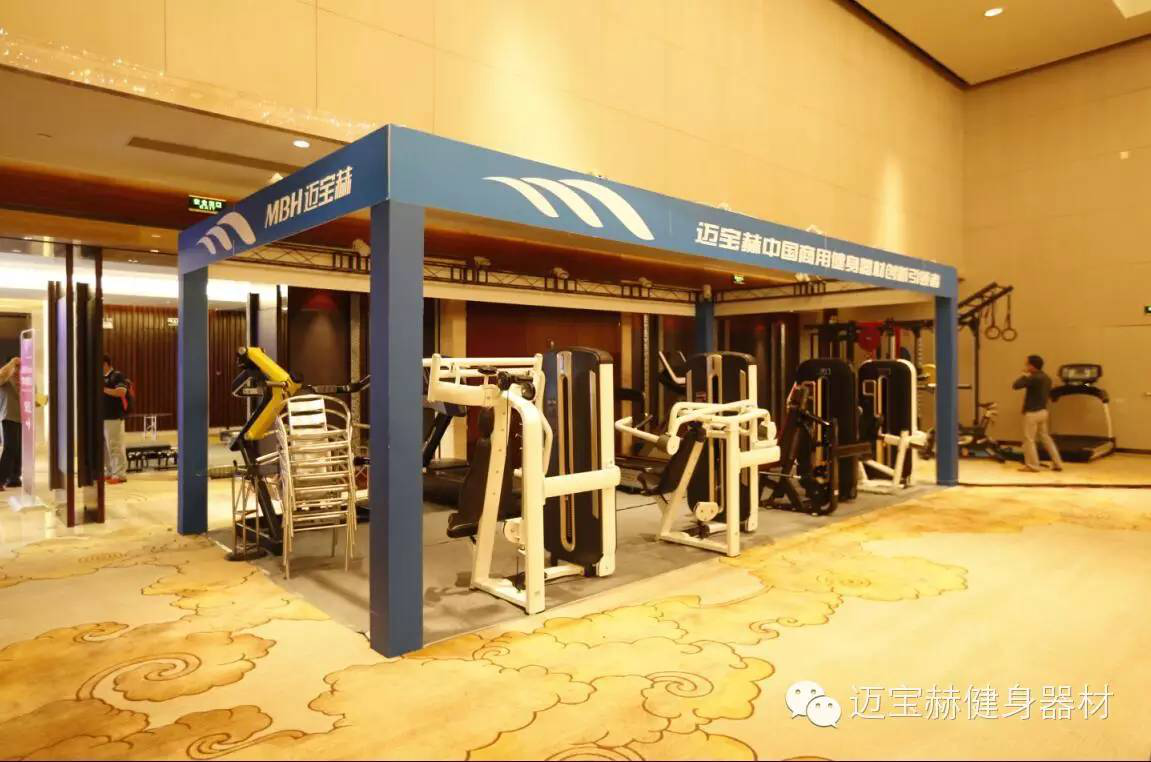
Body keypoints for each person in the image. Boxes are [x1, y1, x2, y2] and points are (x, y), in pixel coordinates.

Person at [1011, 354, 1065, 473]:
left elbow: (1015, 385)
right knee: (1046, 438)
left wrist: (1024, 375)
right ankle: (1057, 463)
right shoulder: (1047, 378)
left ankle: (1032, 466)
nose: (1025, 366)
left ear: (1032, 366)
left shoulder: (1033, 378)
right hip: (1043, 411)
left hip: (1032, 413)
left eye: (1027, 364)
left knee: (1029, 440)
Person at [102, 354, 129, 484]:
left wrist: (103, 389)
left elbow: (121, 392)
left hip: (113, 417)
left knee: (114, 446)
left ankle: (119, 474)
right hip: (103, 417)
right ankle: (109, 471)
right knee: (105, 448)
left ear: (105, 364)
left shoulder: (116, 376)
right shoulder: (101, 377)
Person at [0, 356, 19, 490]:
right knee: (10, 447)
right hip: (9, 417)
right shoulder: (6, 379)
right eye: (17, 367)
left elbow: (31, 400)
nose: (19, 370)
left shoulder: (24, 381)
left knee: (18, 450)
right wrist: (12, 363)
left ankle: (14, 478)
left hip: (23, 419)